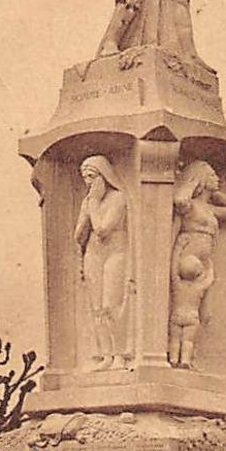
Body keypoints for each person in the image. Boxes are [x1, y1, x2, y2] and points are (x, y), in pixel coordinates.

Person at [169, 161, 226, 369]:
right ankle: (179, 358)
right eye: (212, 176)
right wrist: (193, 183)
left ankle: (184, 358)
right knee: (187, 307)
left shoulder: (208, 208)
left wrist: (213, 192)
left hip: (203, 261)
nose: (217, 179)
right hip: (188, 257)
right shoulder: (191, 207)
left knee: (197, 309)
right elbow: (180, 199)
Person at [74, 156, 130, 370]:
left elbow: (103, 229)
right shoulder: (88, 202)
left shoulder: (118, 198)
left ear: (104, 175)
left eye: (91, 176)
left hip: (114, 254)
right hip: (93, 255)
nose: (88, 181)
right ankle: (106, 355)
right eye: (84, 177)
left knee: (110, 306)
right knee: (96, 309)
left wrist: (94, 204)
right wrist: (87, 210)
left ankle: (119, 355)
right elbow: (78, 235)